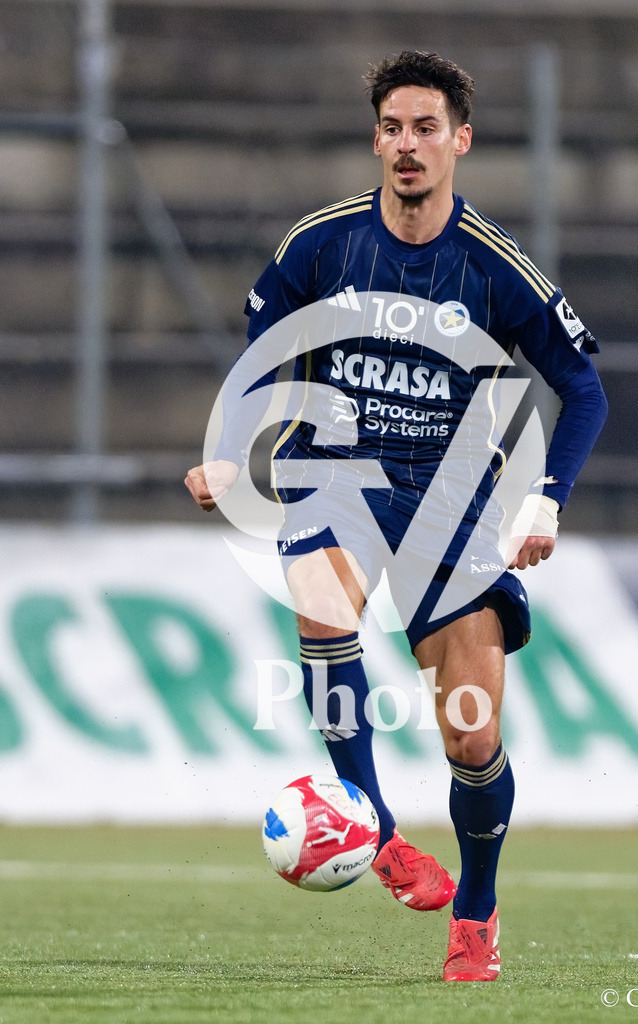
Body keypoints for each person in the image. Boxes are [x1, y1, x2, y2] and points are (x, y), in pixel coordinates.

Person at [185, 50, 607, 982]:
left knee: (471, 737)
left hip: (452, 504)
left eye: (425, 128)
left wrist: (545, 500)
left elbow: (582, 389)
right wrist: (230, 448)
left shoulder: (494, 266)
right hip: (335, 475)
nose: (406, 144)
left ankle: (476, 909)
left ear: (461, 140)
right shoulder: (321, 243)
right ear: (375, 140)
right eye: (391, 128)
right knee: (319, 602)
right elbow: (263, 346)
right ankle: (374, 828)